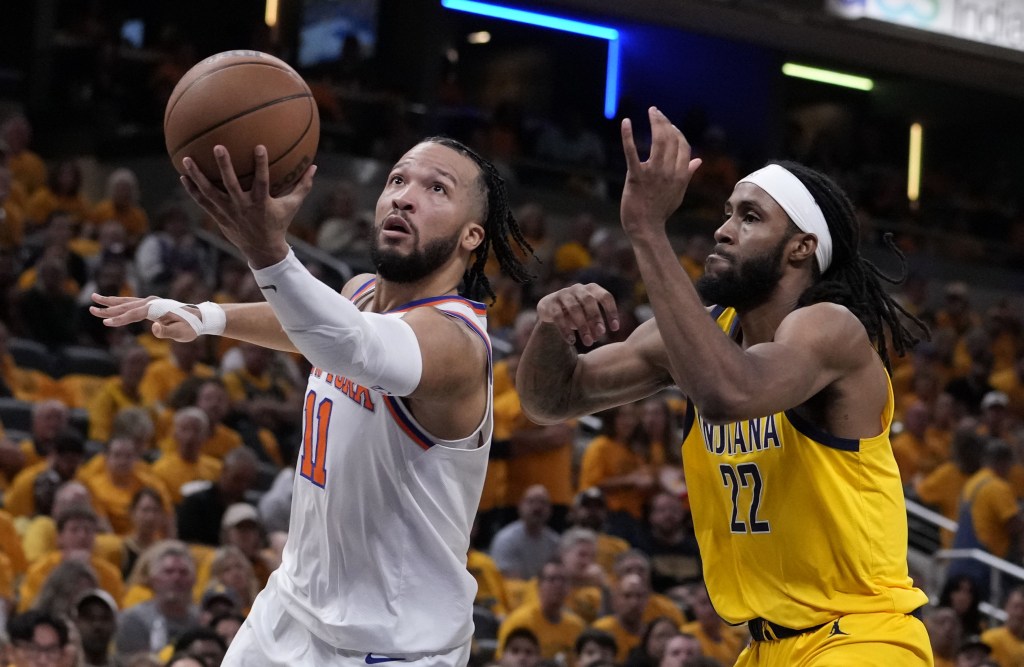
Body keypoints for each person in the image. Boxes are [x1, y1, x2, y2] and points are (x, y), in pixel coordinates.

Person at [92, 135, 532, 665]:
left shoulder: (457, 345)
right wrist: (207, 315)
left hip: (390, 646)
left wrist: (269, 252)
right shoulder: (360, 293)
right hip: (291, 607)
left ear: (470, 236)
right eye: (397, 180)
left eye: (436, 188)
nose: (403, 197)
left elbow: (354, 345)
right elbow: (313, 325)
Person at [516, 107, 932, 664]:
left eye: (750, 217)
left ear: (801, 247)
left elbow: (729, 394)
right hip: (763, 647)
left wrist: (646, 228)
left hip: (860, 636)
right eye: (727, 212)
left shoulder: (829, 328)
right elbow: (551, 401)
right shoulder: (702, 336)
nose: (722, 228)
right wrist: (550, 328)